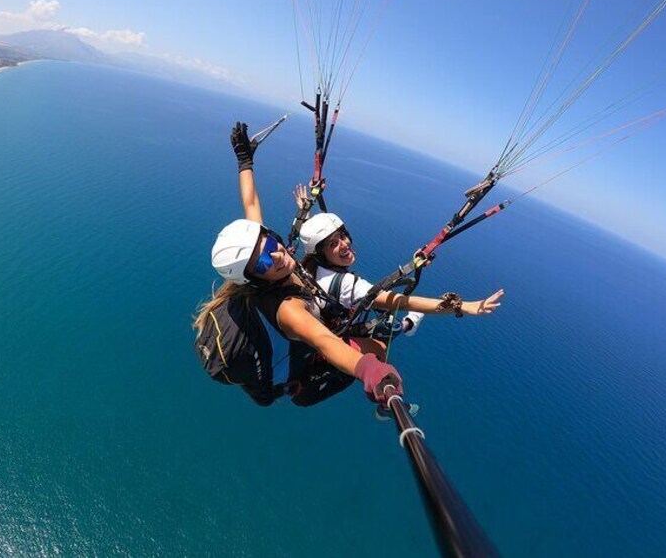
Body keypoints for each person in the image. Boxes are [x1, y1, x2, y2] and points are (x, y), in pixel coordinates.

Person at [194, 122, 401, 407]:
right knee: (378, 347)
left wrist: (245, 161)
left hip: (299, 335)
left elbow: (251, 204)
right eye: (264, 261)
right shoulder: (288, 309)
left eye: (269, 244)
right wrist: (369, 370)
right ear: (254, 279)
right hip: (300, 370)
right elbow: (323, 341)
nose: (276, 255)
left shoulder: (258, 256)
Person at [294, 186, 505, 337]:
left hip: (331, 318)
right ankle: (408, 324)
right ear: (320, 254)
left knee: (376, 314)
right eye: (333, 244)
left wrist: (303, 213)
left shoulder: (306, 267)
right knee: (388, 330)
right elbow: (403, 302)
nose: (344, 243)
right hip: (345, 331)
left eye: (342, 236)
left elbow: (306, 243)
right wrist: (464, 307)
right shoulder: (348, 285)